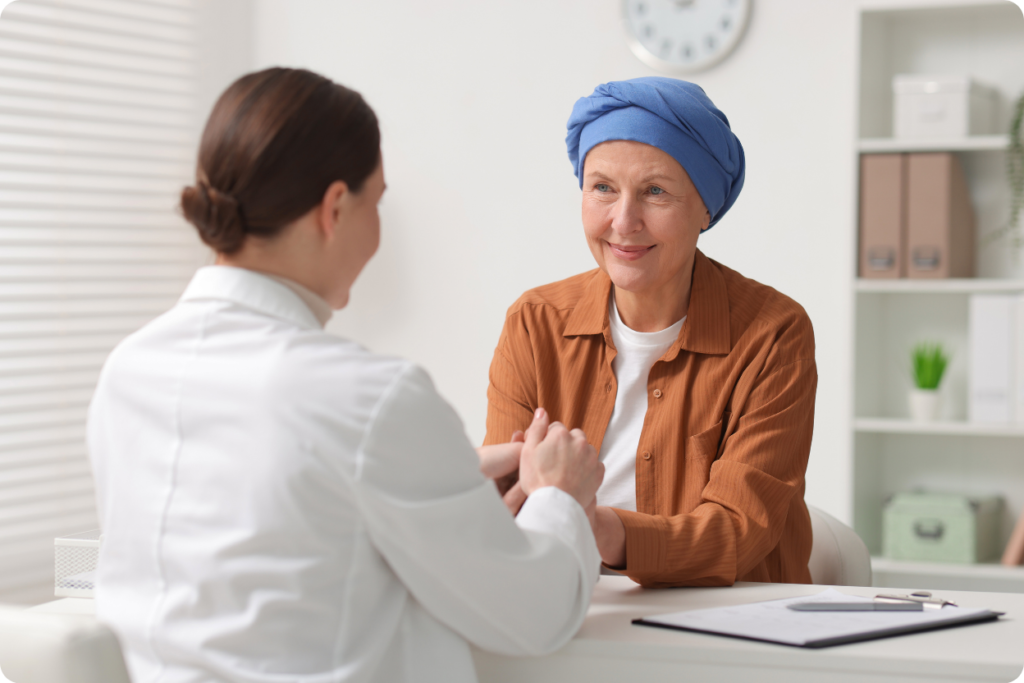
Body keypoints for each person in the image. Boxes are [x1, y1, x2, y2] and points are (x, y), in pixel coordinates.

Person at [87, 67, 604, 683]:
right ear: (335, 208)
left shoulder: (129, 370)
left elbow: (267, 526)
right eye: (377, 201)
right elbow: (533, 616)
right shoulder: (369, 398)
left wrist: (443, 471)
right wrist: (558, 496)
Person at [485, 77, 816, 589]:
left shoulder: (773, 334)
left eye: (655, 192)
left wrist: (590, 527)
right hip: (566, 603)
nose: (623, 221)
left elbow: (737, 533)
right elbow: (505, 503)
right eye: (603, 189)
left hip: (730, 626)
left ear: (705, 207)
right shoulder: (534, 322)